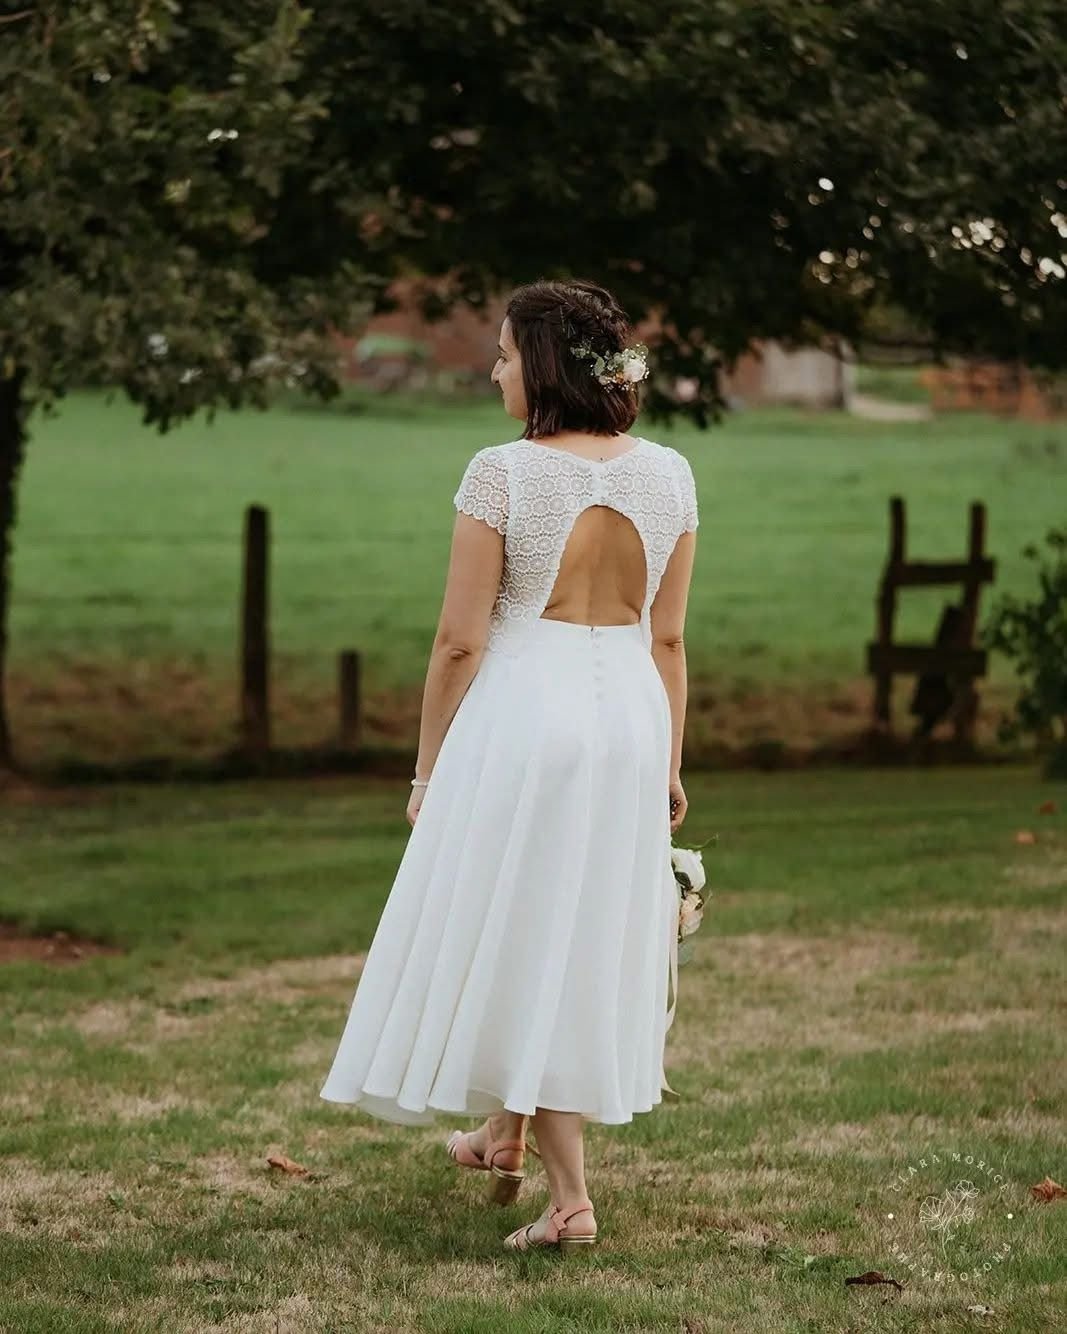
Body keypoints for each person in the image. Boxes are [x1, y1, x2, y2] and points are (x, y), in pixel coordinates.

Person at [319, 277, 699, 1255]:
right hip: (628, 721)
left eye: (499, 354)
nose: (490, 369)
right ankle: (503, 1133)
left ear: (536, 365)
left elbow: (458, 641)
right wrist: (667, 759)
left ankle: (569, 1195)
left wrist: (425, 768)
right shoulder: (669, 474)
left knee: (528, 927)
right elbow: (668, 642)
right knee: (565, 919)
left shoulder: (503, 473)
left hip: (527, 714)